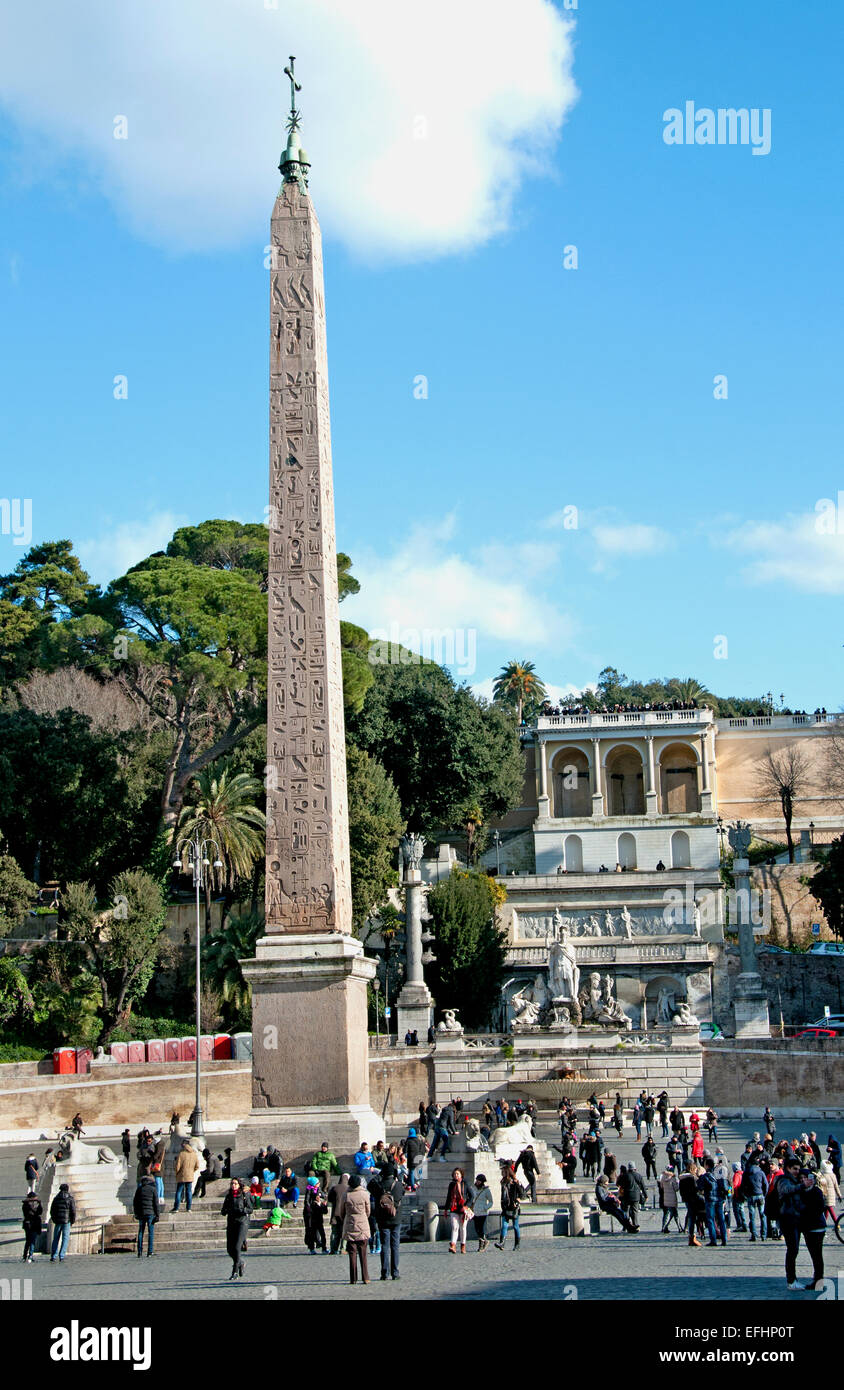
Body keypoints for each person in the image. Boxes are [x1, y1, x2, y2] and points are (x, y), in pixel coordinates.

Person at [370, 1162, 404, 1279]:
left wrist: (379, 1174)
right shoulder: (398, 1185)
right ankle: (395, 1272)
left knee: (385, 1245)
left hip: (382, 1219)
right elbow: (402, 1194)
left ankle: (384, 1273)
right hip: (396, 1218)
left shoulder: (379, 1185)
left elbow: (370, 1185)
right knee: (395, 1246)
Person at [341, 1174, 371, 1285]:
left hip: (350, 1225)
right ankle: (365, 1277)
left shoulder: (346, 1195)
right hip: (362, 1225)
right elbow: (368, 1211)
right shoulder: (364, 1194)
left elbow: (341, 1211)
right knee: (363, 1253)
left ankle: (353, 1278)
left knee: (352, 1253)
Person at [221, 1178, 253, 1280]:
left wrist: (242, 1210)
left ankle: (234, 1271)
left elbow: (250, 1209)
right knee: (229, 1249)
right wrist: (225, 1211)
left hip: (242, 1222)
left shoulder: (244, 1195)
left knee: (237, 1247)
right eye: (232, 1183)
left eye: (235, 1183)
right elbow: (223, 1209)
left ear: (239, 1185)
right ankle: (240, 1262)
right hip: (231, 1222)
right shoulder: (229, 1196)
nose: (233, 1185)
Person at [697, 1157, 727, 1246]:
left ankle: (713, 1240)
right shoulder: (718, 1174)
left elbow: (700, 1188)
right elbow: (725, 1186)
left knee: (710, 1219)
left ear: (706, 1166)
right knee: (721, 1220)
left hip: (710, 1200)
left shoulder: (705, 1176)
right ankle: (724, 1239)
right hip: (719, 1199)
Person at [133, 1162, 160, 1258]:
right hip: (150, 1213)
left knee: (140, 1232)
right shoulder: (153, 1189)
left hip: (141, 1214)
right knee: (150, 1233)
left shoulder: (139, 1189)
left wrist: (136, 1213)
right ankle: (150, 1252)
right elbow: (156, 1204)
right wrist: (157, 1215)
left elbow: (135, 1202)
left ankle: (139, 1252)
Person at [444, 1167, 472, 1254]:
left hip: (463, 1208)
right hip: (454, 1208)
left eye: (457, 1174)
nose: (456, 1175)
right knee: (454, 1227)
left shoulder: (466, 1183)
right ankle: (453, 1245)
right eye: (455, 1174)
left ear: (461, 1175)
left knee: (463, 1228)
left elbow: (472, 1196)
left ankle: (463, 1246)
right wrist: (446, 1209)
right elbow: (449, 1197)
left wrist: (467, 1206)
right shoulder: (451, 1184)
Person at [49, 1182, 76, 1262]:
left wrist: (54, 1219)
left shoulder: (56, 1198)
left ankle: (53, 1255)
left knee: (56, 1239)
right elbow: (73, 1211)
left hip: (58, 1221)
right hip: (66, 1221)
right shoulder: (70, 1199)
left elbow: (52, 1211)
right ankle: (62, 1255)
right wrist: (72, 1221)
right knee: (65, 1238)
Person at [742, 1159, 767, 1242]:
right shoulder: (761, 1172)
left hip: (751, 1196)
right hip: (760, 1195)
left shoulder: (746, 1173)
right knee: (762, 1215)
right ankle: (763, 1234)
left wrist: (746, 1194)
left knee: (752, 1216)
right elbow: (765, 1184)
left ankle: (754, 1235)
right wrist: (764, 1194)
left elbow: (743, 1185)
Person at [496, 1168, 522, 1250]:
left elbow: (521, 1193)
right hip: (505, 1207)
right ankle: (502, 1243)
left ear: (507, 1173)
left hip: (514, 1207)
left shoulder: (514, 1182)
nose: (502, 1173)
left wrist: (517, 1200)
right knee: (504, 1225)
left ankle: (517, 1244)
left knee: (515, 1226)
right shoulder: (503, 1183)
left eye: (503, 1172)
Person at [678, 1165, 703, 1247]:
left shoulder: (682, 1179)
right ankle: (696, 1235)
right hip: (694, 1200)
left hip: (687, 1200)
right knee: (696, 1217)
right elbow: (697, 1189)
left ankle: (691, 1236)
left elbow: (680, 1191)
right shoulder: (693, 1178)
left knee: (691, 1217)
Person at [172, 1140, 200, 1212]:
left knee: (179, 1191)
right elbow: (197, 1166)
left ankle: (176, 1208)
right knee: (189, 1191)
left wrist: (176, 1172)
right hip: (190, 1175)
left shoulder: (182, 1154)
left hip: (181, 1175)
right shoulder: (194, 1154)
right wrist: (191, 1171)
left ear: (184, 1145)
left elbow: (177, 1166)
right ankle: (188, 1208)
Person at [303, 1176, 328, 1254]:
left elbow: (323, 1196)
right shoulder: (309, 1190)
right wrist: (310, 1208)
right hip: (311, 1215)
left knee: (321, 1232)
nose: (319, 1184)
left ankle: (323, 1247)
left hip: (318, 1214)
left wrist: (323, 1201)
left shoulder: (318, 1189)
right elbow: (306, 1201)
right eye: (317, 1183)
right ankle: (312, 1248)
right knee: (311, 1231)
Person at [619, 1164, 646, 1231]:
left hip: (627, 1195)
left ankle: (626, 1225)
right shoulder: (638, 1175)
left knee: (626, 1211)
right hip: (636, 1196)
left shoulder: (625, 1175)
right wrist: (646, 1195)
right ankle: (635, 1224)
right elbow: (643, 1187)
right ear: (635, 1168)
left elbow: (620, 1184)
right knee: (634, 1211)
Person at [471, 1173, 494, 1250]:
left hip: (483, 1213)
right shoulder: (473, 1189)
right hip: (474, 1212)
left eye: (479, 1181)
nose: (477, 1182)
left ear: (482, 1182)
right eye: (477, 1180)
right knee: (476, 1228)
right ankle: (485, 1240)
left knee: (480, 1228)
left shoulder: (486, 1190)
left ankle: (481, 1245)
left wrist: (485, 1208)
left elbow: (491, 1202)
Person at [21, 1190, 43, 1262]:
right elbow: (37, 1213)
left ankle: (26, 1256)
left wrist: (39, 1204)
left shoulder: (26, 1204)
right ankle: (30, 1255)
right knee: (31, 1240)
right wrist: (37, 1205)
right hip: (32, 1224)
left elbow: (39, 1212)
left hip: (29, 1224)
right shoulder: (28, 1205)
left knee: (29, 1240)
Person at [659, 1167, 681, 1232]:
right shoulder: (673, 1178)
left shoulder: (663, 1177)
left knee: (667, 1213)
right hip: (672, 1198)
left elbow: (661, 1186)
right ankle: (678, 1227)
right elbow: (676, 1189)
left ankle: (664, 1226)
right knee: (675, 1213)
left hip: (665, 1198)